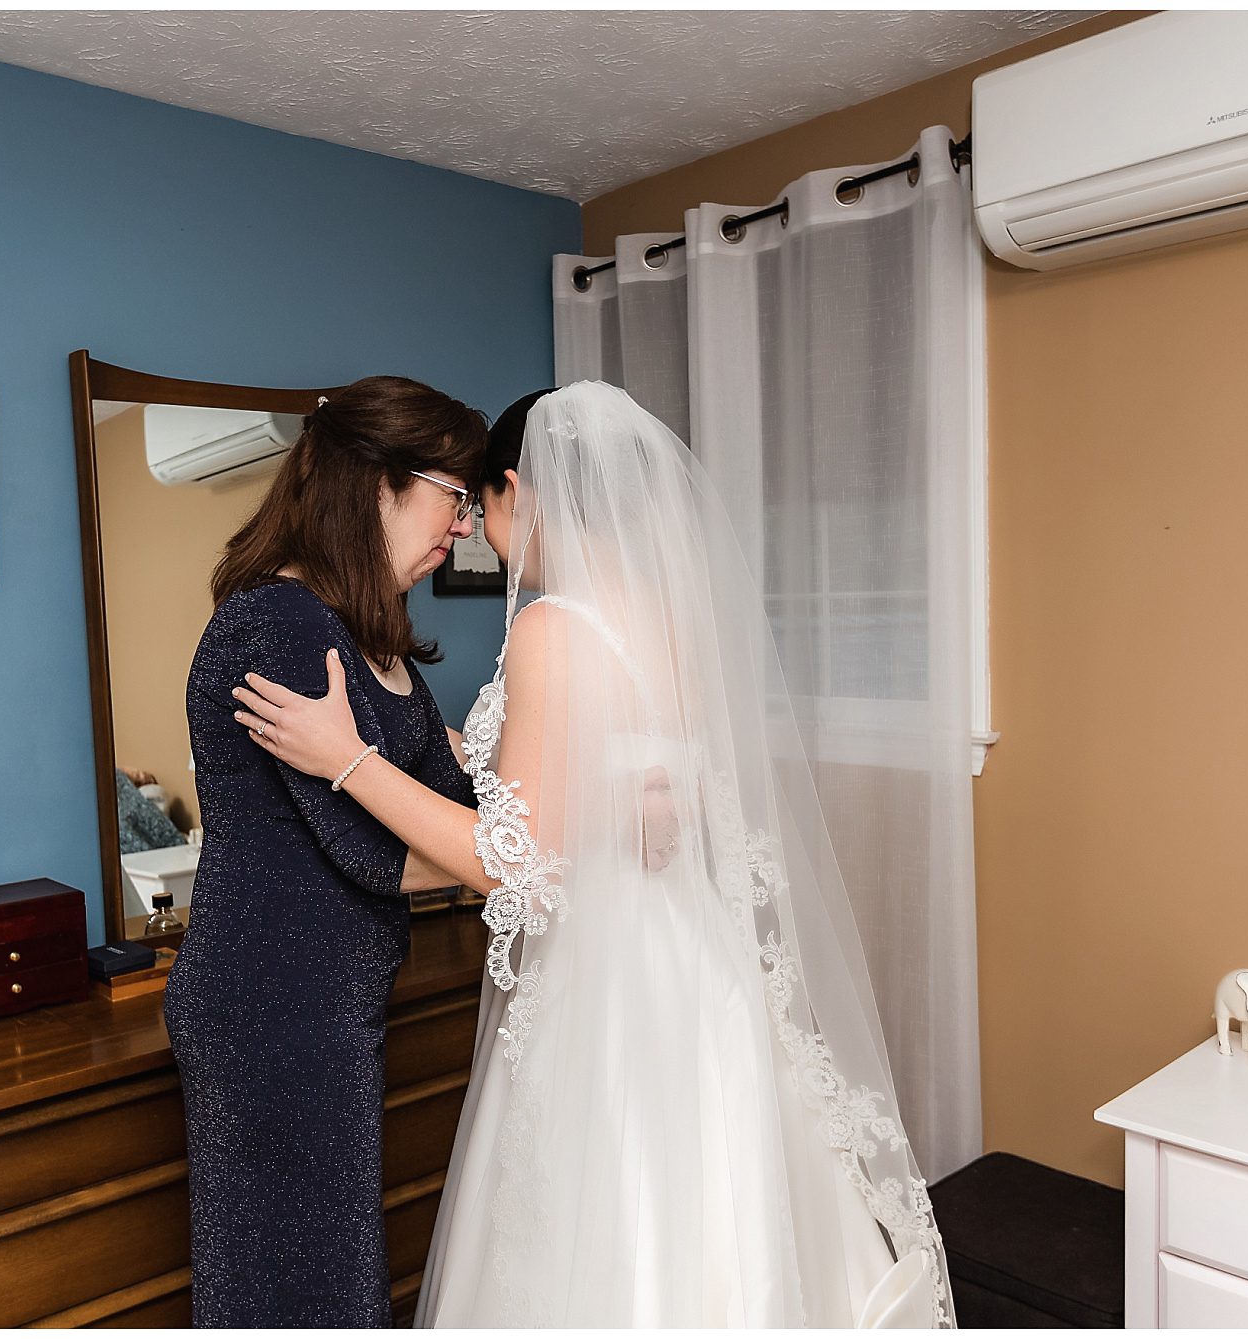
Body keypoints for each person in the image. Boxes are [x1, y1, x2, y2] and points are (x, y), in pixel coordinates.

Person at [231, 381, 954, 1327]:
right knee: (722, 1209)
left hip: (605, 987)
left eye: (477, 507)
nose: (478, 535)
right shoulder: (673, 617)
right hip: (694, 962)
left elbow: (519, 865)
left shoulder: (550, 626)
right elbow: (640, 791)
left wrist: (350, 760)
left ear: (517, 489)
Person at [164, 375, 485, 1327]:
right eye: (453, 496)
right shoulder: (277, 624)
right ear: (380, 482)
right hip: (269, 1007)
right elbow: (371, 848)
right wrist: (520, 850)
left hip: (331, 1002)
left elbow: (452, 798)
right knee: (298, 1290)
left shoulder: (368, 635)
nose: (463, 527)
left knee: (333, 1276)